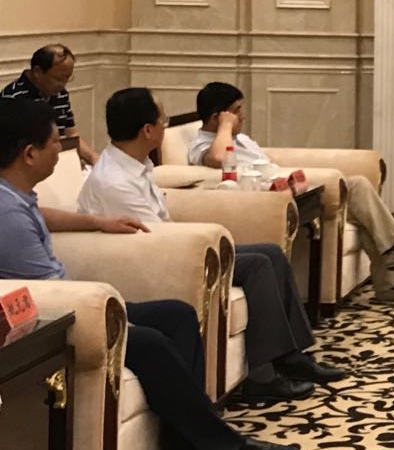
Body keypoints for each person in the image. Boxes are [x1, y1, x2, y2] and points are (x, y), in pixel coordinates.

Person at [0, 99, 301, 450]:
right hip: (57, 323)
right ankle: (228, 447)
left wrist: (96, 222)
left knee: (178, 316)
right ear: (29, 154)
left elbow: (40, 214)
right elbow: (45, 292)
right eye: (55, 142)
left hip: (77, 305)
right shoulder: (8, 215)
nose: (62, 149)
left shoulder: (15, 197)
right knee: (153, 342)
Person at [77, 87, 345, 403]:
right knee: (258, 263)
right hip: (156, 259)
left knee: (270, 254)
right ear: (147, 130)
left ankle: (290, 356)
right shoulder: (115, 181)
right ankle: (262, 377)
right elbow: (153, 239)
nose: (165, 125)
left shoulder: (135, 164)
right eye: (163, 120)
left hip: (174, 246)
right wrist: (198, 241)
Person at [188, 81, 394, 304]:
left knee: (362, 205)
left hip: (289, 187)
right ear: (217, 117)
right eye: (236, 110)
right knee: (358, 187)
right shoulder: (202, 144)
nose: (242, 116)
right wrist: (224, 126)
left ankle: (392, 275)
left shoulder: (240, 138)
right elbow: (218, 159)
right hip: (267, 201)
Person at [1, 44, 99, 166]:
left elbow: (70, 134)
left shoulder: (60, 93)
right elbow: (11, 152)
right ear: (37, 72)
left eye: (67, 78)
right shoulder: (13, 98)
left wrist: (93, 158)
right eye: (58, 79)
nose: (63, 85)